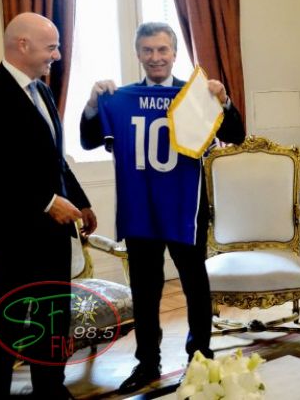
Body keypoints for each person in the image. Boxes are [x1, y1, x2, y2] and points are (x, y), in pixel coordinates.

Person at [80, 22, 245, 394]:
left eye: (162, 50)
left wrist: (223, 100)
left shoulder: (195, 96)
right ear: (138, 54)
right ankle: (147, 362)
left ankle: (200, 358)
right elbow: (89, 141)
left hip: (186, 208)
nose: (155, 57)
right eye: (148, 50)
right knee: (145, 289)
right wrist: (92, 104)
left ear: (174, 53)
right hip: (140, 209)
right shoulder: (120, 98)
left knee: (195, 285)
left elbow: (235, 135)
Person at [0, 12, 97, 399]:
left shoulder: (43, 92)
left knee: (53, 316)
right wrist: (47, 201)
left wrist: (81, 202)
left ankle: (50, 391)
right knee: (9, 320)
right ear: (22, 45)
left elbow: (54, 160)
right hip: (10, 234)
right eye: (51, 47)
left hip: (52, 233)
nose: (57, 55)